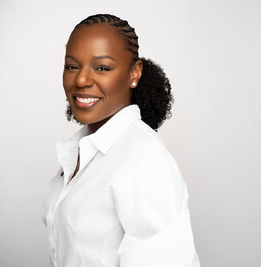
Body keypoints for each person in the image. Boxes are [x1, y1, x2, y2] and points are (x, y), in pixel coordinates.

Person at [41, 14, 201, 267]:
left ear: (134, 73)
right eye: (72, 66)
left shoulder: (143, 161)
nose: (81, 80)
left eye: (101, 68)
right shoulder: (79, 149)